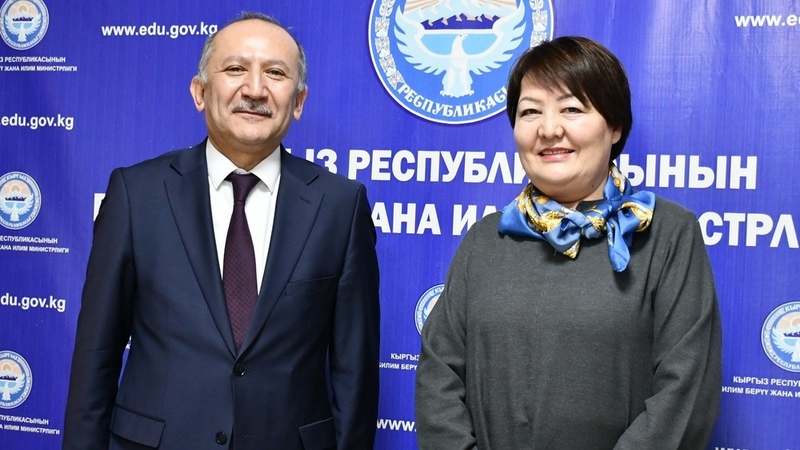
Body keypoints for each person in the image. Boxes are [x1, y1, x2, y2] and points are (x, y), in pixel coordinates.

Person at [63, 12, 380, 450]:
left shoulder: (341, 206)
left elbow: (355, 374)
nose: (255, 89)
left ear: (299, 101)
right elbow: (96, 356)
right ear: (200, 92)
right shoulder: (136, 195)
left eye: (276, 73)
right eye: (235, 69)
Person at [415, 36, 721, 449]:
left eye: (572, 109)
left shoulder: (667, 233)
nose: (548, 129)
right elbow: (439, 378)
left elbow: (684, 394)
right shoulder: (486, 238)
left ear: (615, 126)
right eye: (530, 111)